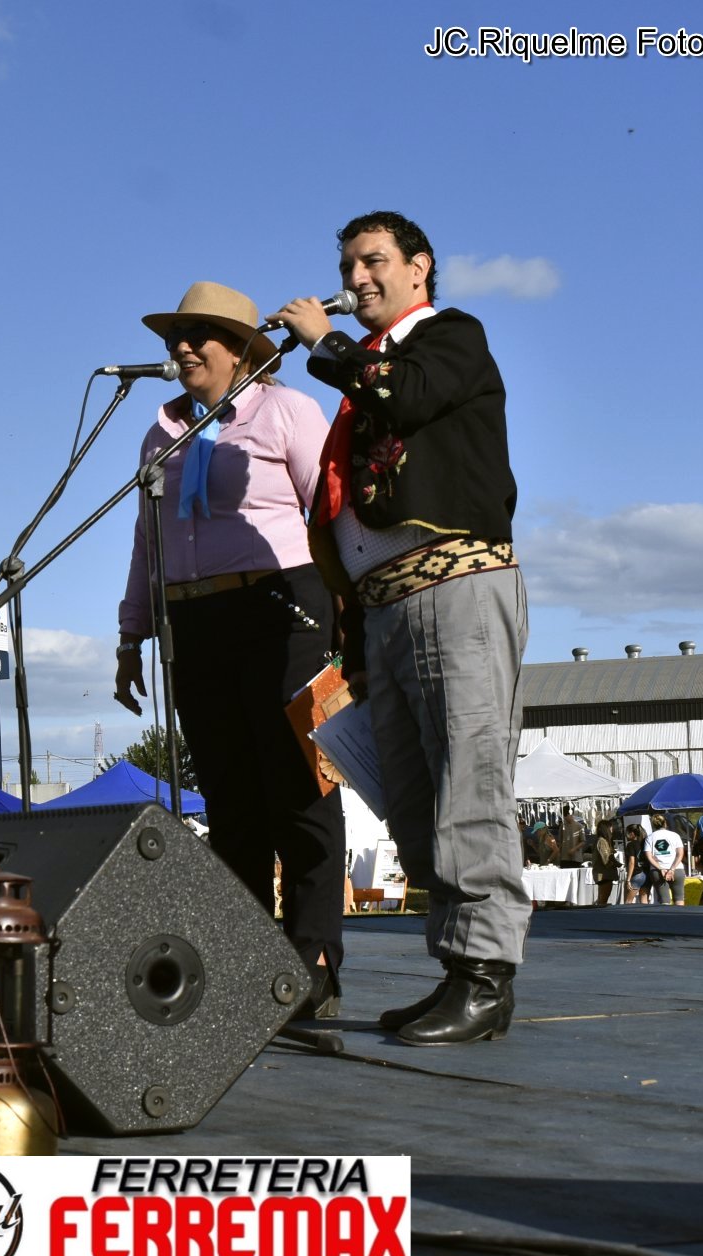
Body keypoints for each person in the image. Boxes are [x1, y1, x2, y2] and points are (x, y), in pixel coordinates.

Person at [274, 211, 528, 1045]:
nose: (356, 280)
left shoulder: (449, 337)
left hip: (454, 585)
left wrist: (325, 342)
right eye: (348, 266)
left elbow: (405, 395)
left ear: (419, 267)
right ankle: (459, 969)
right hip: (384, 606)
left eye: (373, 261)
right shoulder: (375, 366)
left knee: (468, 781)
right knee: (414, 799)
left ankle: (486, 976)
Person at [115, 281, 346, 1019]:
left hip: (281, 605)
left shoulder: (286, 410)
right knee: (229, 797)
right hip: (194, 619)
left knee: (297, 786)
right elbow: (147, 539)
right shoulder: (161, 433)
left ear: (242, 349)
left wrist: (352, 612)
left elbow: (330, 508)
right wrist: (131, 632)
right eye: (173, 338)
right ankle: (247, 966)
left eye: (198, 336)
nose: (181, 348)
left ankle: (311, 962)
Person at [644, 816, 685, 906]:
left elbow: (649, 857)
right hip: (677, 869)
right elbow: (680, 854)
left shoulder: (650, 837)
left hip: (657, 871)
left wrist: (661, 869)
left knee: (664, 901)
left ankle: (666, 915)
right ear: (665, 823)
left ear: (653, 825)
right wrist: (672, 869)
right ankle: (681, 914)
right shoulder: (675, 835)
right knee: (679, 899)